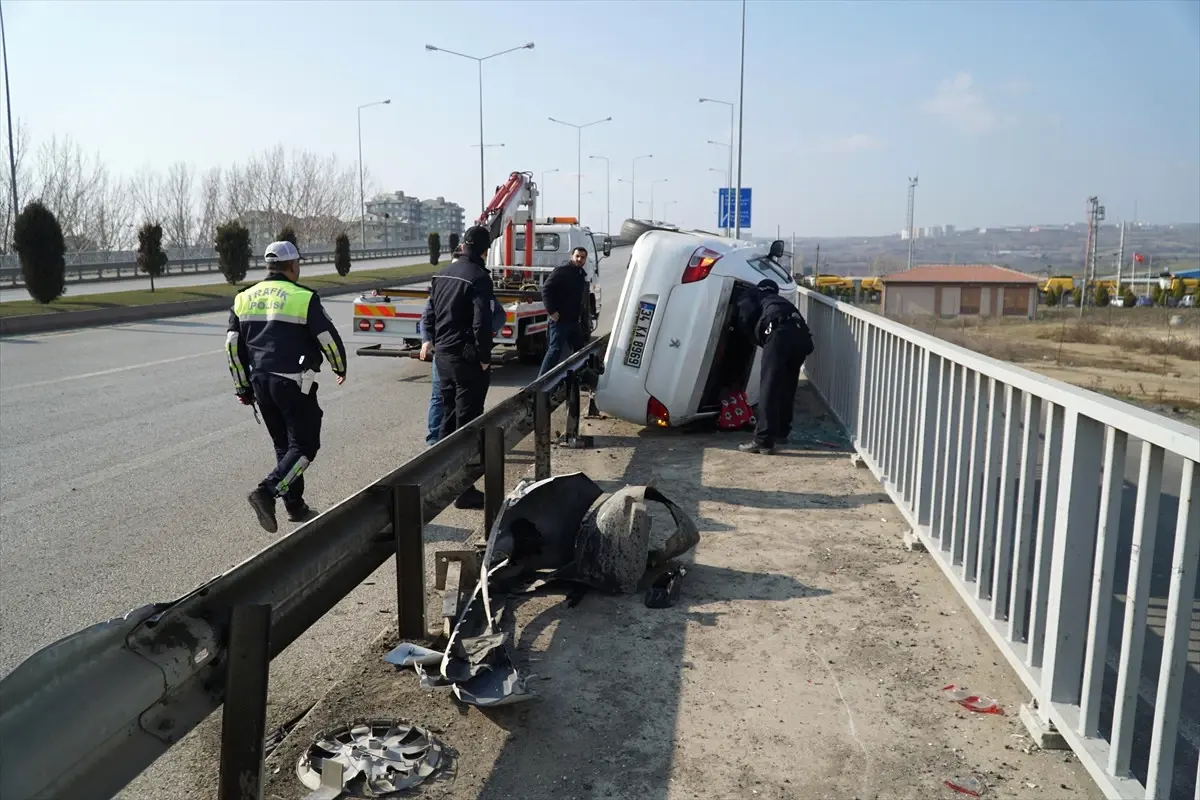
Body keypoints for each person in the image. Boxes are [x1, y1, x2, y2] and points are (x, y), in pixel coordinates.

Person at [226, 240, 348, 532]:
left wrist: (242, 387)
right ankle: (266, 493)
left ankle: (295, 505)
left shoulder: (244, 297)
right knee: (305, 445)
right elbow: (327, 338)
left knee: (285, 445)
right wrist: (339, 366)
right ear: (293, 266)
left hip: (261, 382)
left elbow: (232, 346)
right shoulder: (302, 297)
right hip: (293, 383)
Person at [420, 225, 497, 508]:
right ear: (484, 250)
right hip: (467, 361)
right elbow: (482, 322)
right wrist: (485, 356)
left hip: (444, 358)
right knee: (467, 424)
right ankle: (462, 490)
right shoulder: (479, 277)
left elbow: (430, 314)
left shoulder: (442, 274)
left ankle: (439, 482)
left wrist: (430, 341)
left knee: (447, 419)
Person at [738, 279, 814, 455]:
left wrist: (751, 339)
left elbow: (745, 315)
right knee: (787, 386)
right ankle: (781, 432)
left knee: (769, 387)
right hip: (801, 337)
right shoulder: (781, 302)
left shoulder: (753, 295)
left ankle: (763, 441)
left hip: (780, 334)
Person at [421, 292, 506, 446]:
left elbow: (499, 315)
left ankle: (458, 440)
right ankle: (435, 441)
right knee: (440, 396)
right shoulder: (444, 289)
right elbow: (427, 316)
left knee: (460, 399)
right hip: (444, 351)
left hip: (464, 353)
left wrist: (486, 331)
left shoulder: (473, 288)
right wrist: (427, 339)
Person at [538, 246, 590, 376]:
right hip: (560, 321)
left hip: (573, 321)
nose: (579, 259)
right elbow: (545, 289)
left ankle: (578, 377)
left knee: (580, 350)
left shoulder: (580, 274)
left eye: (582, 257)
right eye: (577, 256)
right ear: (571, 256)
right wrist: (551, 311)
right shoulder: (562, 271)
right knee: (554, 351)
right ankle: (540, 383)